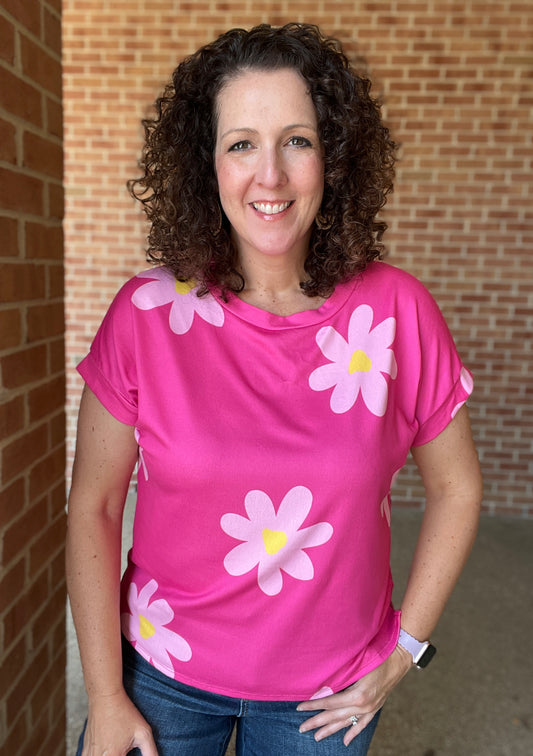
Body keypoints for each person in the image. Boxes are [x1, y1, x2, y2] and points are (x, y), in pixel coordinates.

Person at [66, 22, 482, 756]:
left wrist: (403, 650)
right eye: (240, 144)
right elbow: (94, 507)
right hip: (160, 675)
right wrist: (103, 695)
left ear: (333, 159)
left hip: (328, 690)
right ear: (206, 165)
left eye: (297, 140)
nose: (270, 175)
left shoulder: (395, 311)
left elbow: (456, 488)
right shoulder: (145, 315)